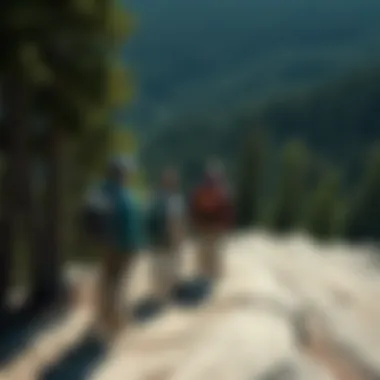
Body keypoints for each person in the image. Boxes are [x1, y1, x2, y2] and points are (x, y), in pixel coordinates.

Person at [82, 156, 143, 336]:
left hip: (107, 244)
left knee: (108, 282)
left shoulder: (101, 191)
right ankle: (115, 323)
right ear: (122, 173)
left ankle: (106, 320)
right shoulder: (124, 194)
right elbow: (131, 221)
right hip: (124, 245)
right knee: (118, 284)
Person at [190, 159, 234, 282]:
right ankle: (207, 280)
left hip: (214, 231)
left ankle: (213, 281)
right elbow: (194, 210)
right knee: (206, 259)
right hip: (206, 230)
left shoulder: (221, 193)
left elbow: (227, 213)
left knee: (213, 258)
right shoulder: (206, 193)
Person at [147, 167, 187, 302]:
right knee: (171, 267)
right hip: (169, 240)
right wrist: (179, 240)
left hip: (155, 241)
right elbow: (176, 222)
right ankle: (169, 296)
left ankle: (159, 294)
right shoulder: (175, 200)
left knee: (158, 268)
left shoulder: (154, 198)